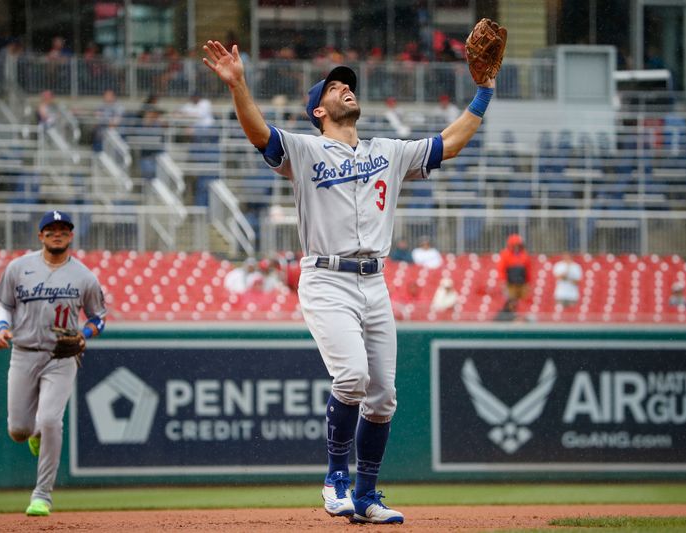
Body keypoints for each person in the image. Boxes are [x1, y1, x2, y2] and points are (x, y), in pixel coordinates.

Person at [203, 32, 496, 524]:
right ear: (318, 109)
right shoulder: (305, 151)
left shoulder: (388, 150)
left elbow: (449, 144)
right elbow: (260, 135)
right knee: (352, 378)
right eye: (335, 87)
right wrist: (237, 86)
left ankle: (366, 495)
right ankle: (335, 476)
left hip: (374, 280)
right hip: (326, 278)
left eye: (348, 84)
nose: (345, 89)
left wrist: (484, 92)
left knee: (383, 398)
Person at [0, 210, 107, 517]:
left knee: (51, 421)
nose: (57, 233)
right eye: (51, 229)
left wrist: (84, 334)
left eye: (63, 229)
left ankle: (42, 495)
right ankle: (32, 435)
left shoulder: (84, 276)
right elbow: (3, 304)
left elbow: (99, 317)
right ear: (40, 235)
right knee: (18, 429)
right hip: (24, 352)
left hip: (62, 355)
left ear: (71, 236)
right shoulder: (18, 268)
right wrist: (2, 328)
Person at [497, 234, 531, 305]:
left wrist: (528, 282)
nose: (517, 248)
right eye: (515, 245)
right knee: (512, 301)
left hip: (522, 283)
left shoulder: (524, 255)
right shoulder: (505, 255)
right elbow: (501, 269)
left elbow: (528, 270)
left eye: (518, 245)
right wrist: (503, 281)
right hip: (510, 283)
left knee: (523, 302)